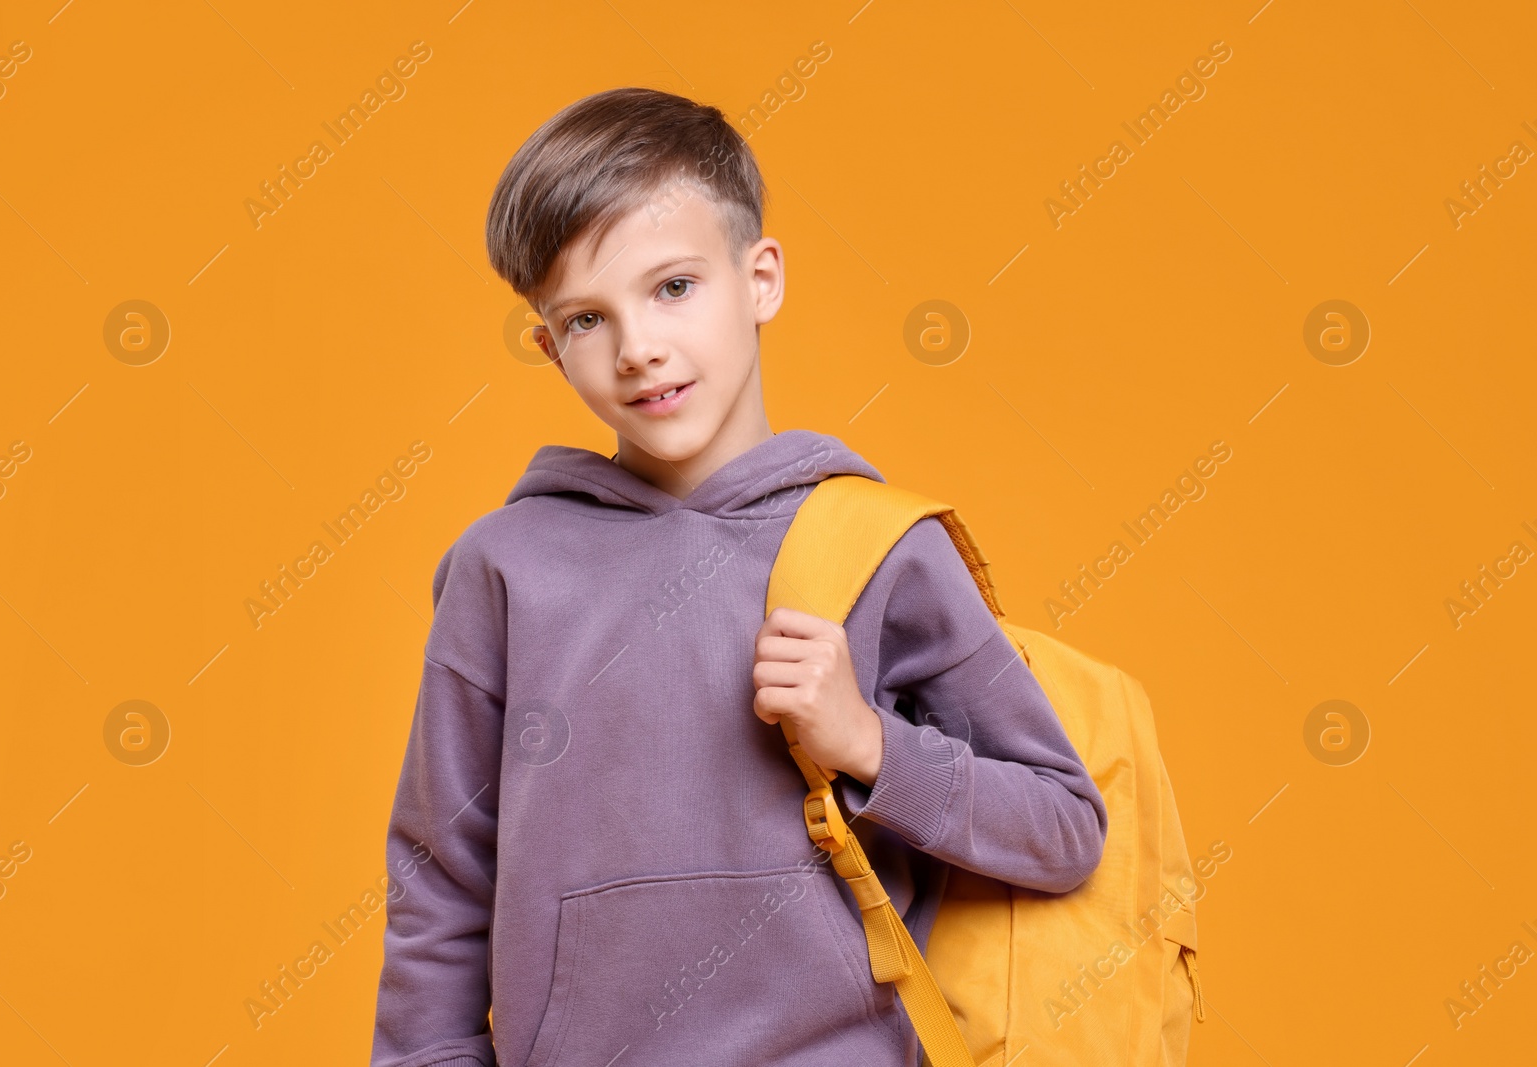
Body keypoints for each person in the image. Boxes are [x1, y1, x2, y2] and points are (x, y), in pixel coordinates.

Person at [369, 86, 1106, 1067]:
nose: (640, 349)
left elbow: (1064, 827)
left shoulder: (876, 544)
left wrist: (870, 744)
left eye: (673, 287)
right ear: (548, 346)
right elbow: (439, 880)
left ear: (759, 279)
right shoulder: (502, 567)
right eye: (587, 318)